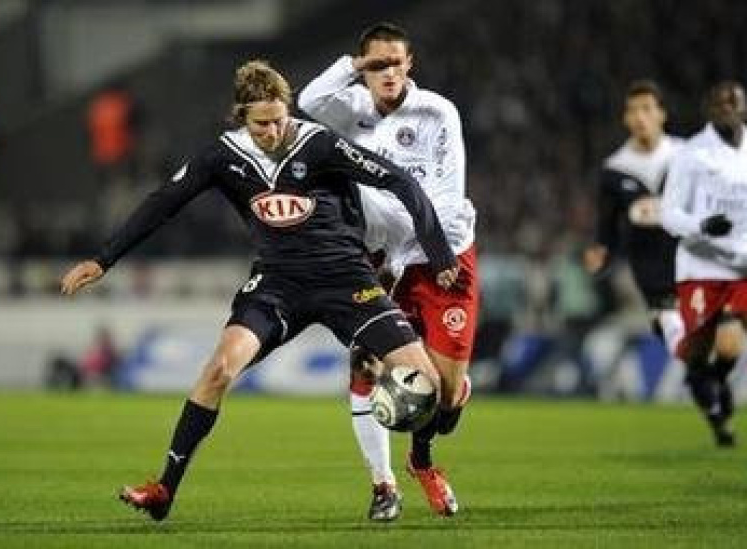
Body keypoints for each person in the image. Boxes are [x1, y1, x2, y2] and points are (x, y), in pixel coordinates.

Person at [60, 59, 460, 521]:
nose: (273, 130)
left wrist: (439, 251)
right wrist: (103, 259)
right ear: (241, 117)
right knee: (219, 369)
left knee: (427, 383)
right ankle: (163, 490)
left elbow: (400, 180)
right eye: (261, 123)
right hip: (278, 284)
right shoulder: (222, 156)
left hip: (347, 281)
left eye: (279, 119)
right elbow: (162, 204)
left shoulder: (319, 143)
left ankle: (421, 462)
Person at [298, 22, 478, 519]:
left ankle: (423, 459)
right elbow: (309, 101)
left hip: (443, 257)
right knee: (362, 364)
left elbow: (443, 192)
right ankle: (383, 485)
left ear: (410, 64)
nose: (389, 73)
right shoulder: (350, 109)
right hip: (379, 261)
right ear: (363, 69)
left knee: (441, 402)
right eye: (377, 64)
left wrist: (437, 252)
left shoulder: (437, 112)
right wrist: (352, 68)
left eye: (396, 62)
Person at [661, 80, 747, 447]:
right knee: (696, 354)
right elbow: (668, 214)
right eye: (720, 101)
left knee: (729, 347)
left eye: (734, 101)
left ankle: (718, 380)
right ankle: (707, 385)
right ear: (709, 109)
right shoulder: (691, 153)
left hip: (741, 265)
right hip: (701, 266)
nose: (727, 106)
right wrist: (701, 225)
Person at [583, 80, 685, 381]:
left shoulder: (687, 157)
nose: (640, 117)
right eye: (633, 110)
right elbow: (606, 230)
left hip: (696, 266)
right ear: (626, 119)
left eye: (647, 109)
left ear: (662, 114)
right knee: (678, 339)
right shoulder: (614, 170)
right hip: (651, 274)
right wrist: (600, 255)